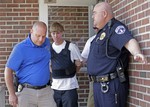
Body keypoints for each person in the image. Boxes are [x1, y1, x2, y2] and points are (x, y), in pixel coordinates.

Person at [86, 2, 147, 107]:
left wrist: (137, 53)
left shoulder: (114, 28)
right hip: (98, 86)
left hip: (109, 86)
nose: (92, 16)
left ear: (104, 14)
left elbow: (129, 41)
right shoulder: (102, 32)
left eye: (95, 13)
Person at [4, 21, 56, 107]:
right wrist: (11, 94)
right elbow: (8, 71)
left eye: (43, 36)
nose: (40, 39)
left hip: (46, 91)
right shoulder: (20, 48)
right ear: (31, 31)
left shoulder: (47, 43)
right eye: (38, 36)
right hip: (26, 92)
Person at [50, 22, 83, 107]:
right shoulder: (49, 49)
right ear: (51, 34)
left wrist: (71, 72)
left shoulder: (71, 47)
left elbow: (79, 63)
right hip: (55, 88)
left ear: (62, 32)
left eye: (58, 33)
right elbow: (50, 67)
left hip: (69, 88)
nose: (56, 36)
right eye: (53, 33)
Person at [81, 27, 98, 107]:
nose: (96, 29)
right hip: (94, 81)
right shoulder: (91, 41)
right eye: (94, 27)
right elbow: (83, 59)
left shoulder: (111, 37)